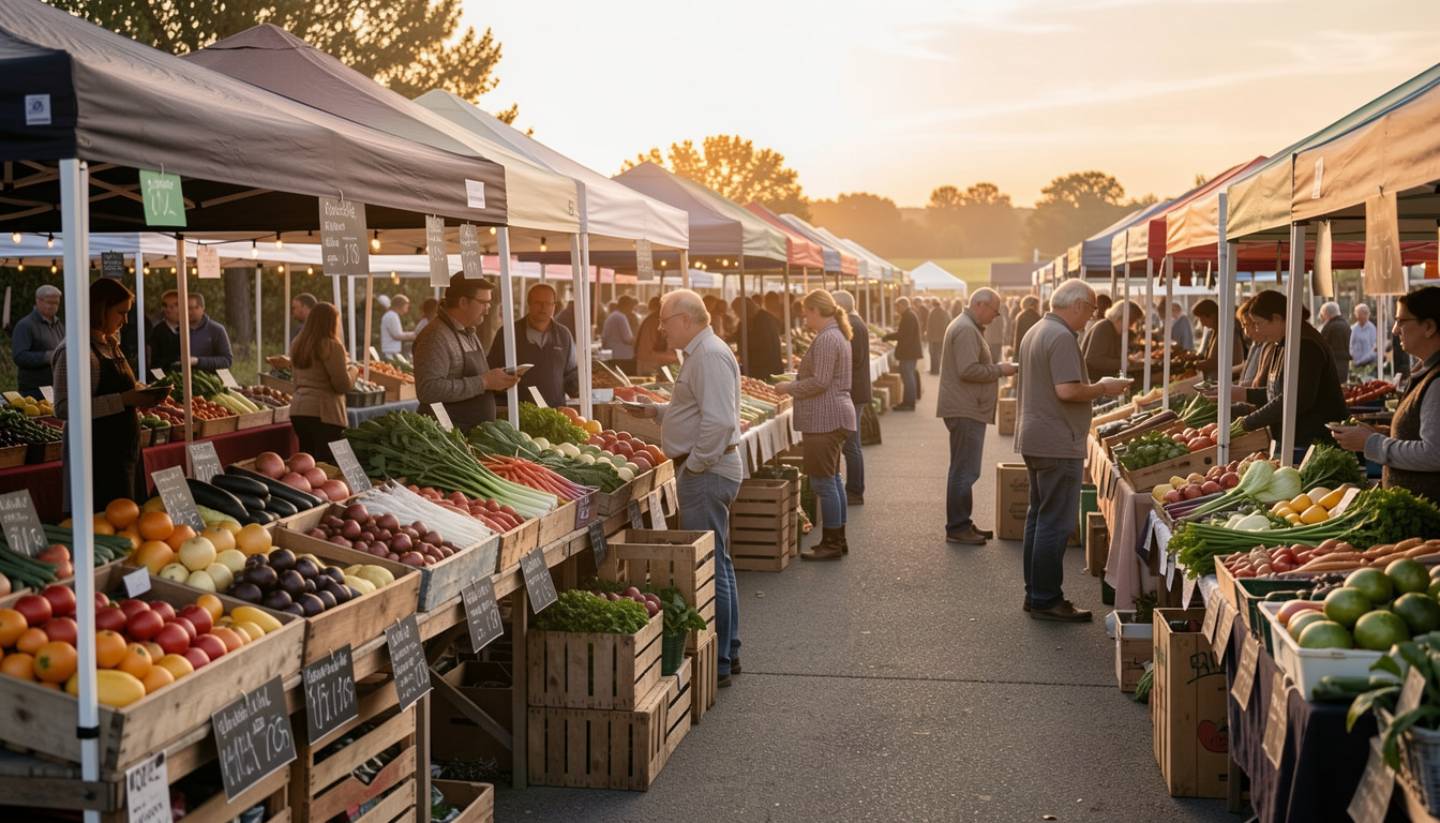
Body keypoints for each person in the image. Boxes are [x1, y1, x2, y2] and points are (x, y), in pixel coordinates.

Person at [625, 290, 743, 687]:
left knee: (712, 565)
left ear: (686, 320)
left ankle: (723, 658)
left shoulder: (708, 355)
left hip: (707, 472)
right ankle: (730, 650)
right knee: (720, 561)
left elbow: (720, 422)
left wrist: (693, 466)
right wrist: (658, 412)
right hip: (708, 468)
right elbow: (698, 412)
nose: (660, 328)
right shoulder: (702, 353)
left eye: (664, 320)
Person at [1015, 280, 1131, 622]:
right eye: (1092, 309)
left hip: (1036, 435)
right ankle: (1046, 597)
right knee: (1054, 522)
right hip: (1056, 438)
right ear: (1078, 305)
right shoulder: (1062, 337)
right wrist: (1103, 387)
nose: (1092, 317)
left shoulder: (1037, 330)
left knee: (1039, 517)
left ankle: (1035, 593)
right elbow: (1067, 391)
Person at [54, 279, 163, 511]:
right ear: (100, 309)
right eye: (120, 313)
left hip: (124, 451)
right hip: (96, 457)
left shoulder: (111, 344)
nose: (125, 321)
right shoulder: (74, 351)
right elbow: (65, 407)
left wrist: (144, 394)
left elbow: (121, 389)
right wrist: (124, 400)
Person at [1333, 286, 1440, 500]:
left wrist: (1370, 443)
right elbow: (1417, 434)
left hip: (1428, 516)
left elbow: (1434, 453)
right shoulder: (1425, 372)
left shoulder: (1437, 381)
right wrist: (1376, 432)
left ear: (1428, 326)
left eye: (1402, 321)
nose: (1395, 329)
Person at [775, 290, 857, 561]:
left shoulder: (826, 339)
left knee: (824, 482)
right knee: (832, 479)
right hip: (837, 415)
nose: (805, 318)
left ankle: (832, 542)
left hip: (825, 418)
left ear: (815, 310)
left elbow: (820, 381)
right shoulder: (838, 335)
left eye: (806, 312)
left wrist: (790, 387)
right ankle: (838, 538)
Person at [937, 288, 1017, 545]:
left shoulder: (967, 327)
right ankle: (958, 526)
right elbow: (968, 369)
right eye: (995, 311)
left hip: (966, 405)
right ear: (980, 305)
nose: (996, 316)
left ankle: (962, 523)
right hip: (965, 407)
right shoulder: (966, 329)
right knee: (964, 470)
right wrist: (1000, 370)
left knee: (964, 469)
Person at [1223, 290, 1347, 452]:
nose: (1257, 330)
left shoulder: (1305, 345)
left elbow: (1295, 399)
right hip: (1295, 440)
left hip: (1314, 443)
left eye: (1258, 324)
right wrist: (1245, 394)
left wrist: (1247, 423)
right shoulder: (1281, 343)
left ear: (1277, 318)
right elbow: (1276, 392)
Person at [413, 273, 518, 429]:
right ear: (463, 302)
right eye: (484, 303)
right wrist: (484, 382)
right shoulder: (435, 337)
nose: (487, 310)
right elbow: (428, 390)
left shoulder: (468, 331)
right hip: (448, 439)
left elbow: (477, 380)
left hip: (469, 434)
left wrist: (497, 381)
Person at [488, 283, 578, 407]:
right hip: (516, 412)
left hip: (554, 414)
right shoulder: (508, 333)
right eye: (538, 303)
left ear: (554, 306)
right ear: (529, 304)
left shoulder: (564, 335)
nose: (543, 307)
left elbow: (571, 374)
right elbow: (492, 370)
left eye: (548, 303)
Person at [288, 303, 356, 462]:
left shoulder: (298, 344)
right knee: (328, 465)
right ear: (332, 323)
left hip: (299, 410)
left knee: (306, 462)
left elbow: (296, 380)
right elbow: (342, 385)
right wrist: (353, 370)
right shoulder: (331, 346)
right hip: (325, 413)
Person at [833, 290, 870, 506]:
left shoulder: (854, 325)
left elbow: (854, 360)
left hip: (854, 393)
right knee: (851, 444)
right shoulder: (856, 322)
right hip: (857, 391)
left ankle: (855, 490)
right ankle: (854, 489)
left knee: (851, 445)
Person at [11, 284, 63, 398]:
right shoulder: (25, 325)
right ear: (38, 301)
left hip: (55, 388)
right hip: (33, 391)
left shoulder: (59, 325)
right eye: (49, 302)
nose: (53, 306)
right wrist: (48, 356)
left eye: (56, 303)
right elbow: (19, 356)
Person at [1080, 301, 1143, 378]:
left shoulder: (1114, 330)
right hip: (1094, 380)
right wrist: (1125, 363)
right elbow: (1093, 360)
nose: (1133, 327)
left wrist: (1129, 360)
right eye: (1133, 322)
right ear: (1124, 318)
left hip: (1106, 377)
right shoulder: (1104, 327)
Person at [883, 297, 923, 410]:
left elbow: (902, 335)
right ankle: (908, 401)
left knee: (908, 377)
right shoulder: (909, 315)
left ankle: (908, 403)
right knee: (908, 377)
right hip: (910, 352)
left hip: (908, 352)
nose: (896, 309)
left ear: (903, 305)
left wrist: (888, 337)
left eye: (897, 306)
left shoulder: (908, 316)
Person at [1191, 299, 1246, 381]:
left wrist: (1194, 365)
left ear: (1211, 315)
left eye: (1201, 318)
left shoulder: (1226, 332)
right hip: (1217, 379)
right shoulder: (1217, 330)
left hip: (1226, 380)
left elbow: (1216, 362)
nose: (1201, 323)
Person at [731, 295, 784, 379]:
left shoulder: (764, 320)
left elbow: (762, 343)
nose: (736, 314)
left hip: (765, 367)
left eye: (736, 311)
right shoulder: (746, 321)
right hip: (757, 366)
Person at [182, 293, 233, 371]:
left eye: (191, 308)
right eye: (185, 308)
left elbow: (226, 361)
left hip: (208, 379)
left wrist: (198, 361)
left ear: (202, 308)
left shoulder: (217, 330)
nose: (188, 312)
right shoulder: (178, 330)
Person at [635, 296, 678, 377]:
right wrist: (675, 358)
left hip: (657, 366)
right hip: (650, 367)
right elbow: (645, 353)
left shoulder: (661, 320)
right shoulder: (653, 322)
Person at [147, 289, 183, 372]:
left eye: (172, 306)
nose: (168, 310)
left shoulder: (191, 329)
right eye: (165, 306)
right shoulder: (157, 332)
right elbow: (155, 363)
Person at [602, 294, 638, 373]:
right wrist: (638, 341)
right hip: (623, 356)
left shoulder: (612, 316)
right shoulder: (621, 317)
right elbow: (627, 339)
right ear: (626, 305)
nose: (632, 309)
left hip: (614, 355)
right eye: (631, 306)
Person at [1318, 301, 1352, 383]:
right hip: (1345, 363)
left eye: (1322, 315)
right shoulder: (1346, 325)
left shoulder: (1329, 327)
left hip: (1333, 365)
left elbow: (1322, 346)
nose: (1322, 318)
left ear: (1326, 314)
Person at [380, 294, 416, 358]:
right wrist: (415, 335)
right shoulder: (391, 316)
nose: (407, 309)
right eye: (406, 306)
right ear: (400, 305)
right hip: (390, 353)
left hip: (392, 352)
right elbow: (397, 335)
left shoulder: (392, 315)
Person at [1350, 303, 1378, 375]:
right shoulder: (1353, 328)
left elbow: (1374, 347)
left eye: (1363, 314)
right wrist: (1354, 359)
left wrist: (1363, 360)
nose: (1359, 316)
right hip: (1356, 364)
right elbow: (1351, 345)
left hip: (1369, 363)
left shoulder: (1372, 328)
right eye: (1358, 314)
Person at [926, 298, 951, 376]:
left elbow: (929, 325)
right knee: (939, 354)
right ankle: (937, 369)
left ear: (933, 304)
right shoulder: (945, 312)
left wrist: (928, 337)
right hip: (942, 336)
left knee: (933, 354)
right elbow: (949, 323)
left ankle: (934, 370)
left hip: (934, 337)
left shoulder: (932, 312)